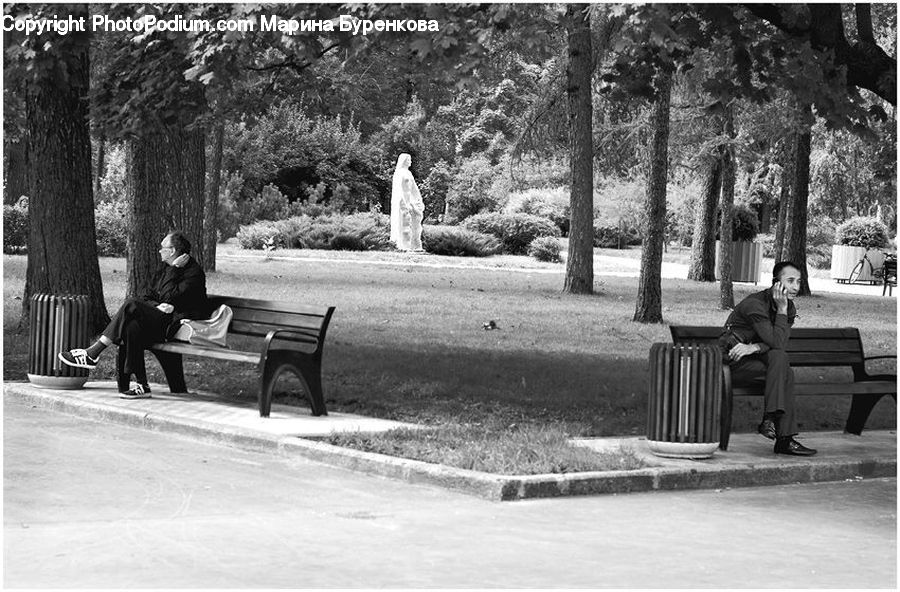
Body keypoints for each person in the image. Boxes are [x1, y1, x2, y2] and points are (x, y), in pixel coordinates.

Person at [59, 231, 207, 399]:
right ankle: (142, 385)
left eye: (163, 248)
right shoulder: (165, 268)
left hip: (175, 326)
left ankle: (94, 352)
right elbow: (146, 294)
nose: (160, 251)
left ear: (172, 251)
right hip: (161, 318)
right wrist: (157, 305)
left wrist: (173, 271)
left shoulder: (193, 272)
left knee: (131, 304)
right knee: (131, 327)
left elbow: (168, 296)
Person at [719, 260, 817, 456]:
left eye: (798, 281)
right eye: (790, 281)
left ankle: (771, 422)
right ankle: (782, 436)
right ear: (776, 283)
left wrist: (754, 347)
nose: (796, 287)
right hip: (730, 364)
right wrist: (780, 311)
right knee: (784, 371)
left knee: (780, 363)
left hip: (757, 362)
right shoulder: (754, 305)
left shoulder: (788, 308)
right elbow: (777, 342)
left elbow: (778, 343)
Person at [390, 153, 425, 251]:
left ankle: (416, 245)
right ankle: (404, 246)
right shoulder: (399, 173)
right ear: (404, 160)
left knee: (416, 224)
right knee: (405, 225)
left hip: (411, 202)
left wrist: (418, 201)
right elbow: (399, 190)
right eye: (409, 159)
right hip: (403, 203)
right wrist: (404, 204)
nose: (411, 161)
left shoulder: (409, 173)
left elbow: (414, 189)